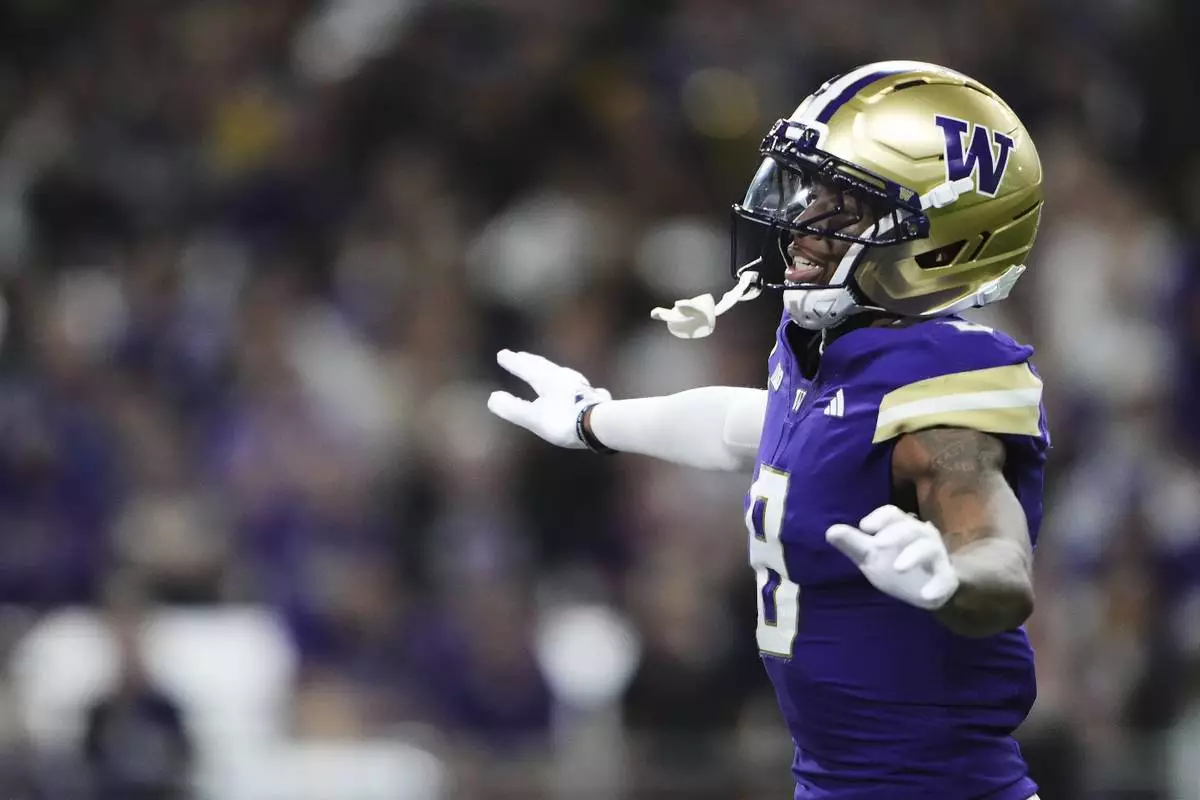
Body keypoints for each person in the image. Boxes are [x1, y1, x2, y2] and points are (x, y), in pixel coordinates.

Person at [488, 60, 1048, 800]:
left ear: (940, 239)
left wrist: (952, 581)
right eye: (812, 191)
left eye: (846, 209)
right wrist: (596, 419)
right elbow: (750, 424)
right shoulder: (834, 354)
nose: (806, 226)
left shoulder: (942, 386)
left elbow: (997, 556)